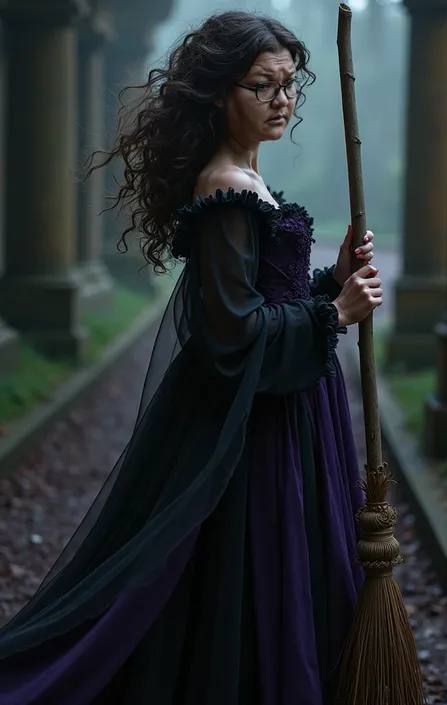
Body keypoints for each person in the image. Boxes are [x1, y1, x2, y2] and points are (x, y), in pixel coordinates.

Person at [0, 10, 382, 705]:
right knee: (243, 569)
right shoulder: (224, 185)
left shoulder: (246, 180)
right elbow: (231, 333)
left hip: (289, 402)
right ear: (217, 94)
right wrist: (336, 314)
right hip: (253, 422)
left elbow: (273, 292)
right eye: (261, 86)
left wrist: (331, 282)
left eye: (289, 85)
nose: (281, 101)